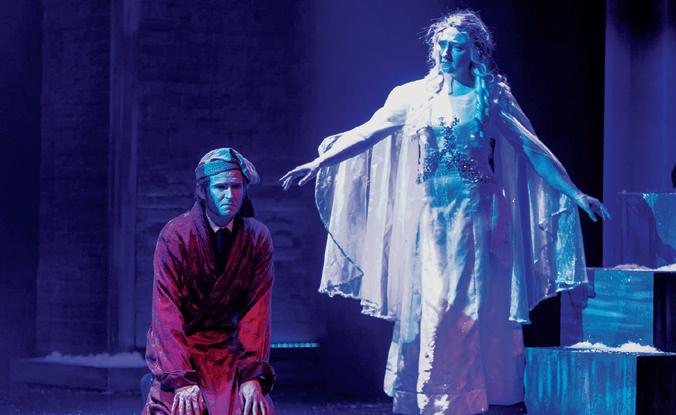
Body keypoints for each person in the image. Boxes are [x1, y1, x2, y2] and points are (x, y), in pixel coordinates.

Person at [281, 10, 610, 415]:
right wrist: (320, 161)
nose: (446, 52)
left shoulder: (489, 96)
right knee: (431, 306)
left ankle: (456, 398)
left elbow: (531, 148)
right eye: (441, 44)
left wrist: (575, 192)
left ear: (475, 52)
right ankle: (432, 395)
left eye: (456, 46)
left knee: (461, 306)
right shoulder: (414, 98)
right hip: (430, 222)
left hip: (475, 219)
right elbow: (369, 131)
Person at [142, 148, 275, 415]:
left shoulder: (257, 237)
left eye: (236, 187)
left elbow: (257, 312)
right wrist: (181, 379)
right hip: (182, 350)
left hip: (228, 352)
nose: (230, 195)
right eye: (221, 187)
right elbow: (166, 312)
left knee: (254, 409)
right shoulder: (175, 235)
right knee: (180, 410)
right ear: (203, 191)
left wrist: (251, 374)